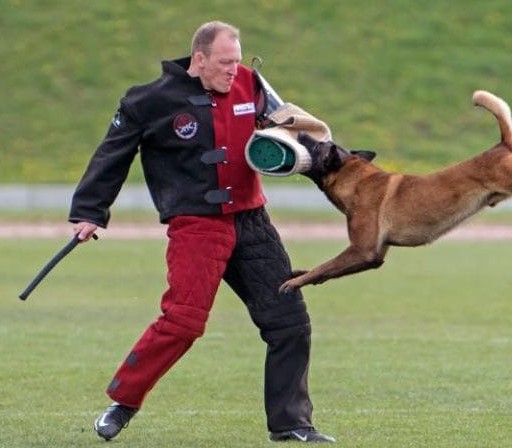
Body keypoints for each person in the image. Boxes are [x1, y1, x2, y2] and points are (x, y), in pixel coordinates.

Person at [69, 21, 335, 443]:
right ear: (199, 59)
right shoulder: (148, 101)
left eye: (237, 61)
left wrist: (324, 153)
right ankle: (123, 403)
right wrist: (89, 211)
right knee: (182, 324)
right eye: (225, 62)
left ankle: (292, 426)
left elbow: (290, 126)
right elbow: (111, 155)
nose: (235, 71)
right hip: (196, 225)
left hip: (253, 222)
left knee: (290, 323)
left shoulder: (252, 83)